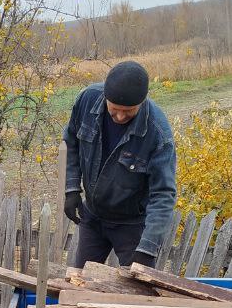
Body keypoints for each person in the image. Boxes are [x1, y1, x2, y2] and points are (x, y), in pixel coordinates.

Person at [62, 59, 176, 269]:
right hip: (93, 217)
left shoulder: (158, 134)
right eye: (114, 109)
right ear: (105, 96)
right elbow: (71, 143)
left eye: (129, 111)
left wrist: (147, 248)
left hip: (132, 225)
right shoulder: (87, 100)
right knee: (79, 282)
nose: (120, 116)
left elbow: (163, 194)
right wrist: (71, 189)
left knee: (137, 293)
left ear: (142, 103)